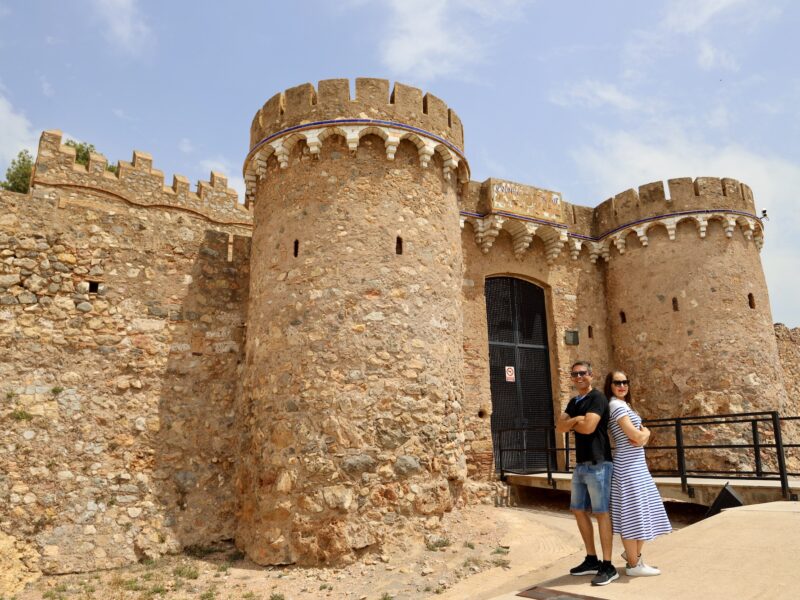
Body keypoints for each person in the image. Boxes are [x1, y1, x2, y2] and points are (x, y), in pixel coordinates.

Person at [604, 370, 672, 577]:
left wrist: (642, 436)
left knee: (644, 510)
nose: (622, 385)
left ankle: (634, 557)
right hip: (628, 466)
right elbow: (634, 436)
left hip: (637, 466)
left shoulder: (625, 405)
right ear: (610, 385)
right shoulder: (615, 405)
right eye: (617, 382)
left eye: (625, 381)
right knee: (632, 514)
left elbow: (637, 438)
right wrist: (647, 433)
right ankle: (634, 565)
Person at [556, 361, 618, 586]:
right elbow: (559, 427)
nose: (579, 377)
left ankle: (608, 565)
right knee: (578, 509)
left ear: (591, 376)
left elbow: (589, 427)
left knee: (601, 513)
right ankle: (591, 559)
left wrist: (573, 423)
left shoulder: (598, 398)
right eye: (575, 374)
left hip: (599, 463)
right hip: (581, 464)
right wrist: (576, 421)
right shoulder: (574, 401)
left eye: (583, 373)